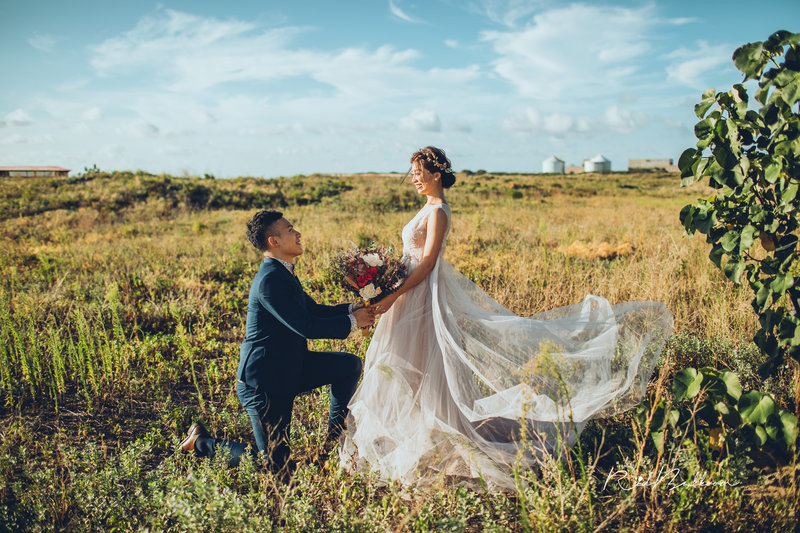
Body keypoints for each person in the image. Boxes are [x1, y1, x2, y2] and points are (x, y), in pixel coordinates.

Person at [341, 147, 673, 490]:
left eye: (417, 171)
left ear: (435, 174)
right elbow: (410, 260)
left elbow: (426, 265)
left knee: (420, 366)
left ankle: (451, 439)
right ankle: (425, 435)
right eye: (411, 172)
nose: (412, 177)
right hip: (406, 294)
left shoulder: (438, 211)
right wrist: (381, 280)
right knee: (404, 365)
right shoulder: (426, 207)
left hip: (419, 296)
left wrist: (393, 293)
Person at [180, 210, 375, 477]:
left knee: (348, 365)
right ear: (274, 242)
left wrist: (353, 308)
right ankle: (202, 443)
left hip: (292, 367)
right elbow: (304, 326)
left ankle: (332, 446)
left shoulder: (283, 273)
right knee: (276, 468)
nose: (298, 234)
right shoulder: (270, 280)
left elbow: (313, 311)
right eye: (290, 230)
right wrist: (353, 322)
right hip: (264, 384)